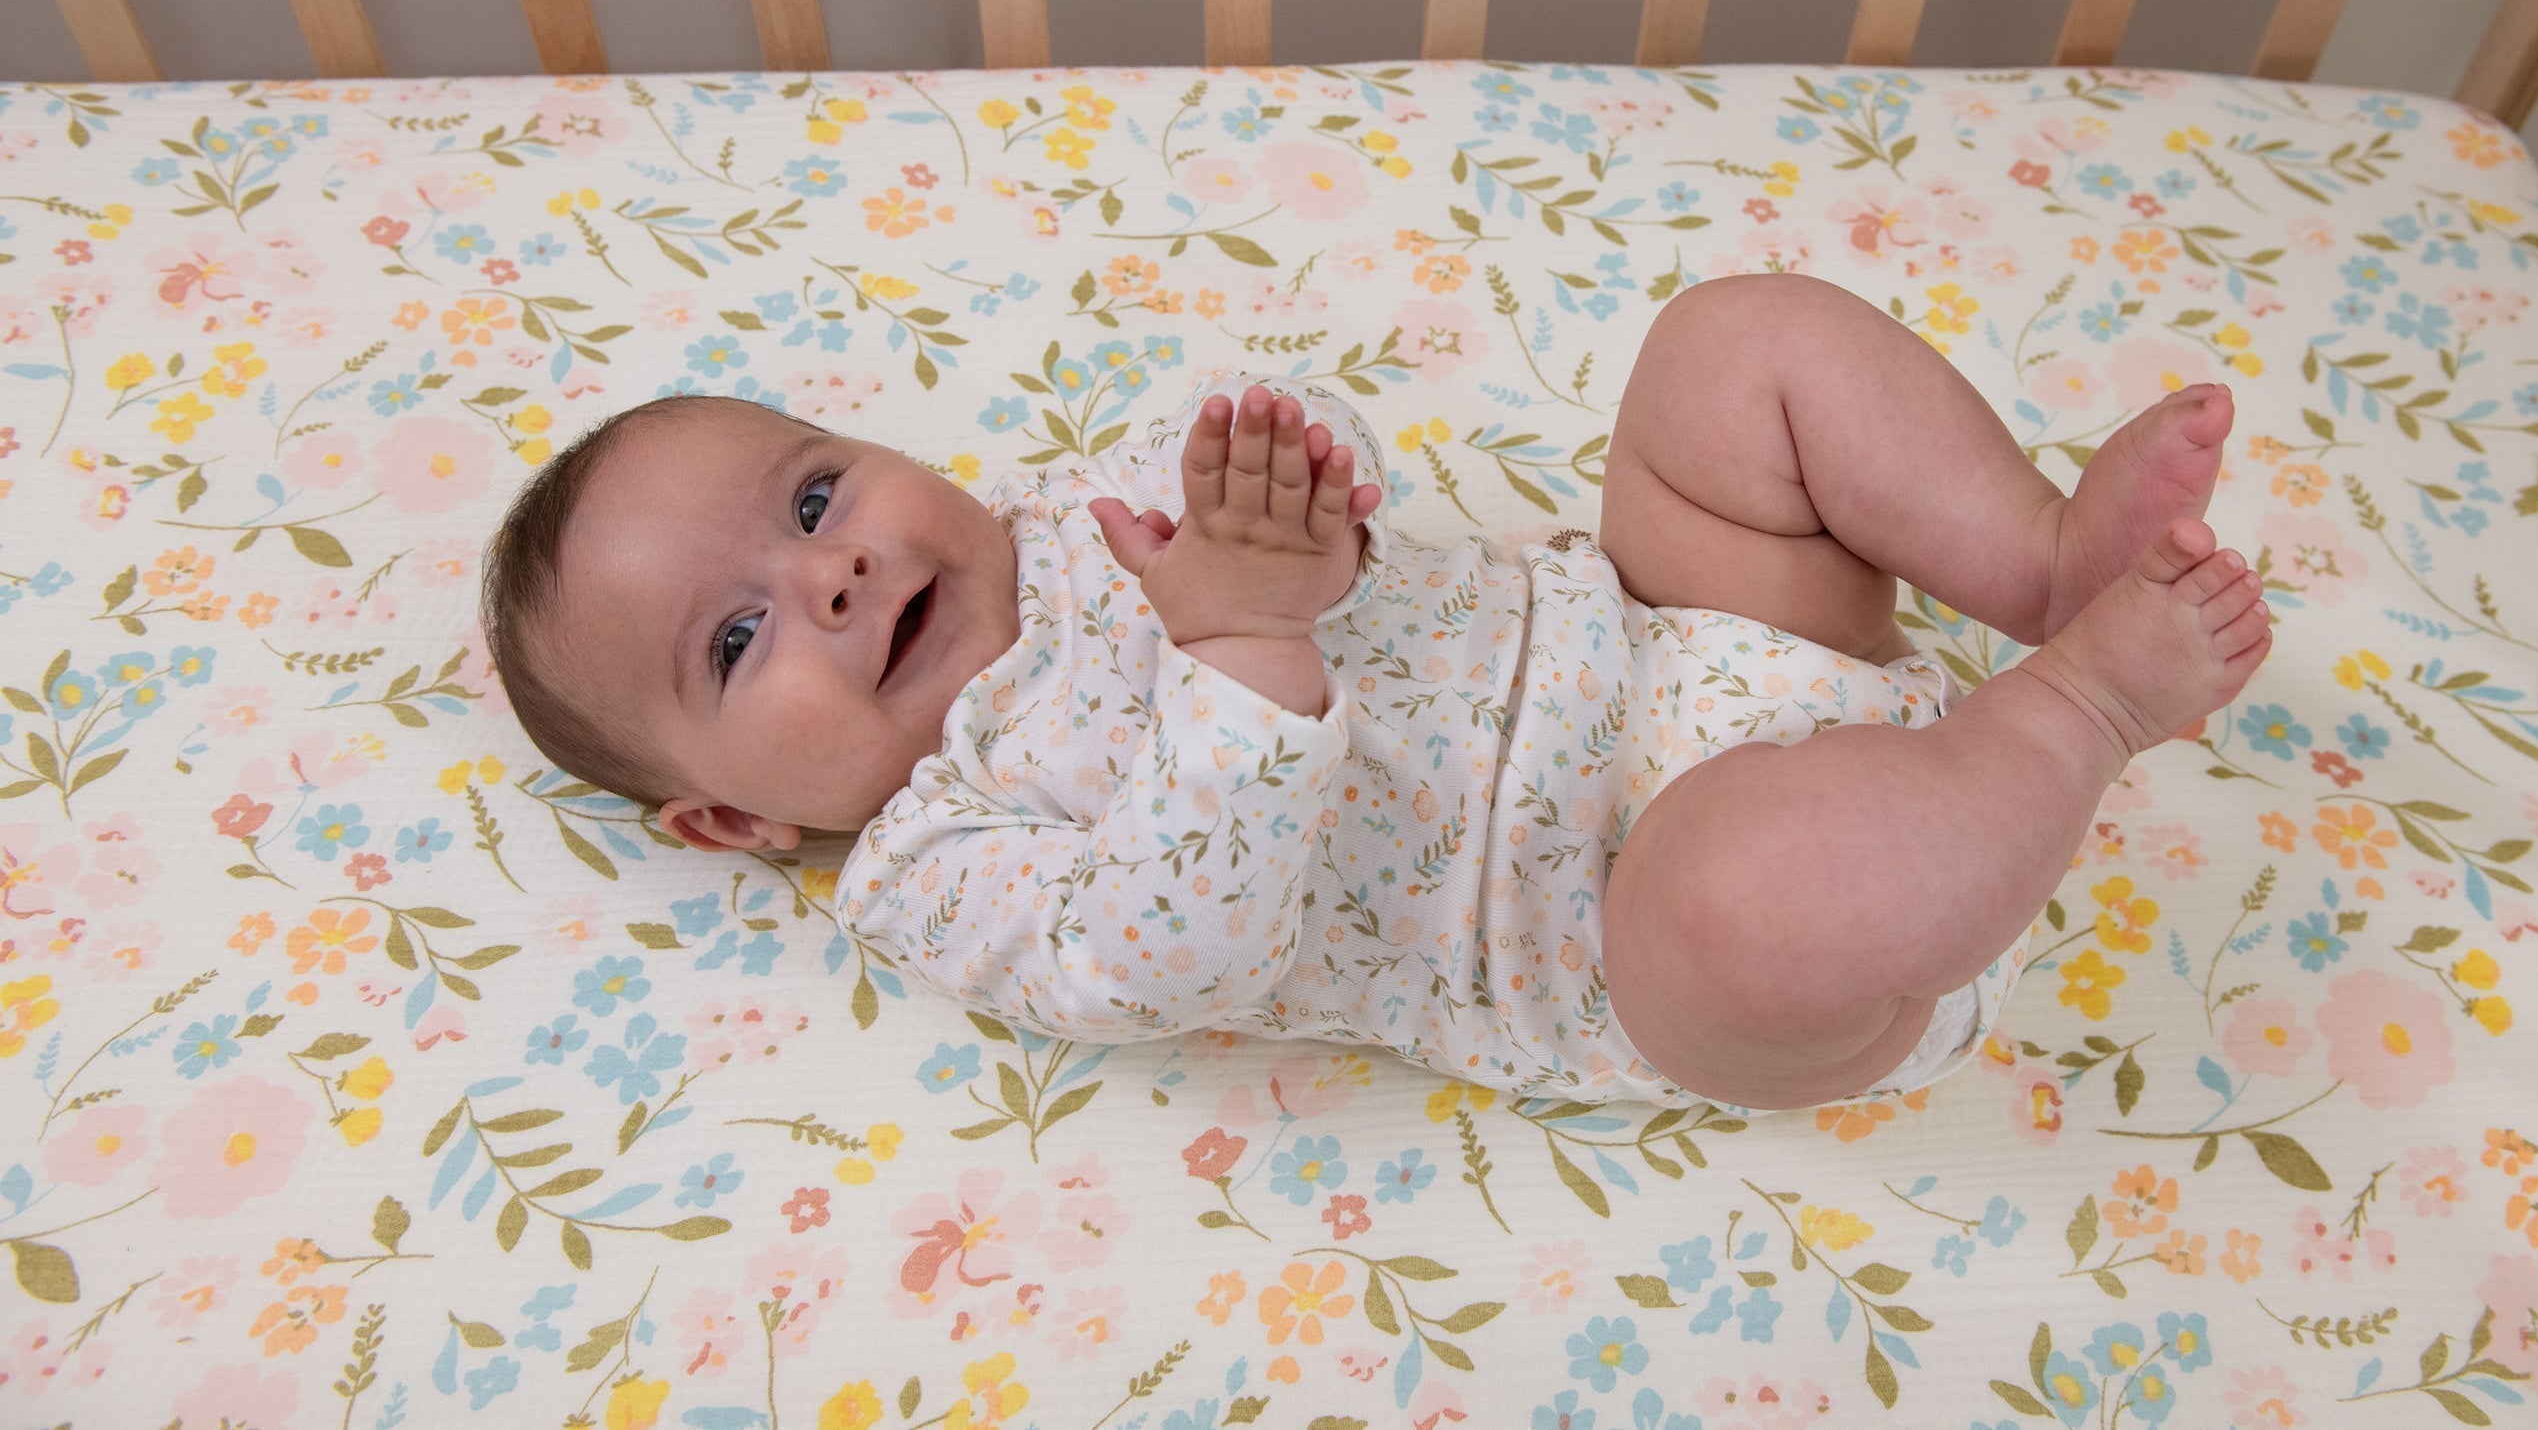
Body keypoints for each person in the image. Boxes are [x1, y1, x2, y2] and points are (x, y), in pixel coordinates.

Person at [481, 271, 2269, 1111]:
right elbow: (1167, 955)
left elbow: (1294, 427)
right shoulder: (935, 856)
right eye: (738, 642)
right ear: (730, 816)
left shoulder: (1088, 497)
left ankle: (2035, 568)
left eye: (813, 499)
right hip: (1619, 929)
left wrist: (1300, 493)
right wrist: (1245, 649)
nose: (832, 576)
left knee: (1733, 353)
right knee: (1732, 891)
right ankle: (2085, 713)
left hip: (1672, 633)